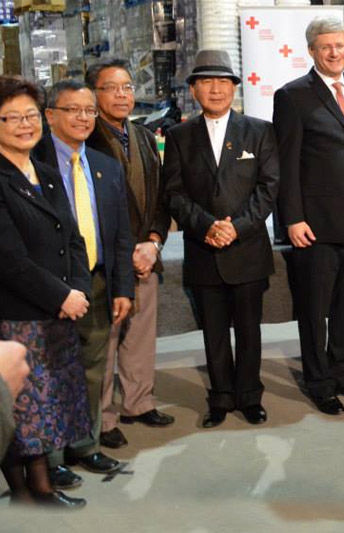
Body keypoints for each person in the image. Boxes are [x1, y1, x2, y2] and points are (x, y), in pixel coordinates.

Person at [164, 50, 279, 428]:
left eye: (223, 82)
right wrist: (206, 226)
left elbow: (268, 187)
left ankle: (250, 396)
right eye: (207, 82)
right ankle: (221, 397)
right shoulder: (179, 136)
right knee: (213, 332)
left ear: (234, 88)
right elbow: (175, 193)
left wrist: (238, 226)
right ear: (194, 90)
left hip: (246, 248)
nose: (216, 89)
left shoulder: (259, 130)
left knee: (249, 330)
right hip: (203, 249)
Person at [273, 17, 344, 415]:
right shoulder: (294, 96)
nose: (335, 52)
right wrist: (293, 218)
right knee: (316, 310)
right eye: (326, 47)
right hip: (315, 227)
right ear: (312, 51)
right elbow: (287, 163)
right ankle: (318, 382)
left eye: (340, 45)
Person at [33, 79, 134, 487]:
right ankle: (51, 456)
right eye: (72, 109)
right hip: (50, 287)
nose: (83, 118)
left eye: (89, 111)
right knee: (52, 370)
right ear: (50, 115)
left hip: (97, 281)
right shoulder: (30, 164)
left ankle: (85, 445)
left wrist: (123, 286)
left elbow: (121, 233)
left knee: (93, 369)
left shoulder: (105, 165)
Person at [0, 75, 92, 508]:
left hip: (58, 309)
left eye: (30, 116)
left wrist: (78, 288)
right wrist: (60, 295)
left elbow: (73, 239)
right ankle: (30, 490)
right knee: (25, 406)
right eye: (12, 117)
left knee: (49, 401)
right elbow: (9, 258)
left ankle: (36, 485)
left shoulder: (48, 175)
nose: (24, 125)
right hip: (17, 312)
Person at [85, 58, 174, 449]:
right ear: (94, 95)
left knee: (141, 337)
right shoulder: (85, 140)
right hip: (106, 260)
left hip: (144, 255)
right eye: (111, 88)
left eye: (127, 87)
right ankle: (103, 419)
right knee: (105, 342)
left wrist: (154, 241)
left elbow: (160, 194)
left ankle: (139, 402)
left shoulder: (140, 135)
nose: (122, 95)